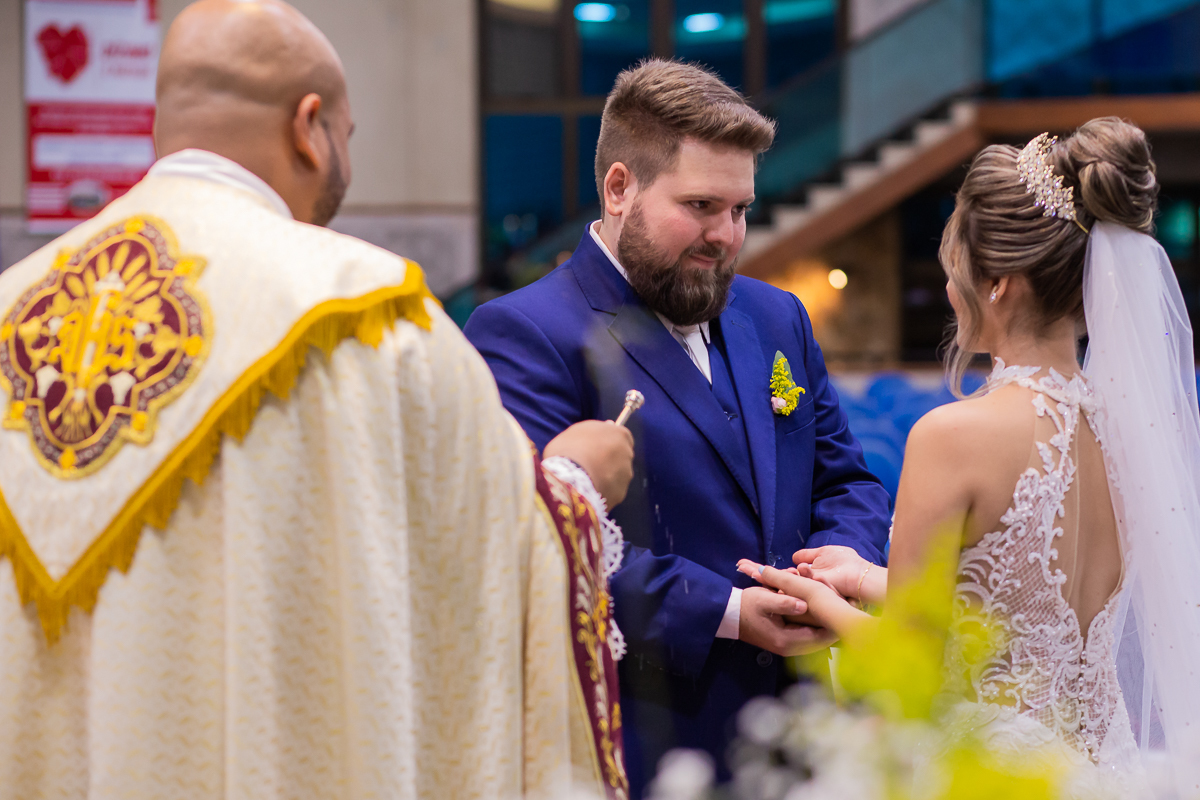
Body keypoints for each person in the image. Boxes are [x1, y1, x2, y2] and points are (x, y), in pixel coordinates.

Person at [0, 1, 636, 797]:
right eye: (348, 135)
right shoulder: (367, 317)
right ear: (310, 127)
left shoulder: (13, 309)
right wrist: (574, 485)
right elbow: (472, 568)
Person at [464, 59, 892, 795]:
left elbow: (846, 479)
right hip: (644, 742)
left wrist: (839, 562)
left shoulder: (776, 316)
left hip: (804, 738)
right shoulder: (523, 332)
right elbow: (535, 542)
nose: (726, 235)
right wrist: (729, 612)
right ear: (619, 188)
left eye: (741, 209)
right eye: (700, 205)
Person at [740, 118, 1200, 796]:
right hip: (1105, 773)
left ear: (999, 283)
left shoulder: (952, 435)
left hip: (990, 774)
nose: (950, 289)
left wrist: (818, 603)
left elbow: (915, 666)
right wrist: (868, 576)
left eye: (955, 268)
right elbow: (1021, 617)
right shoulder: (1126, 431)